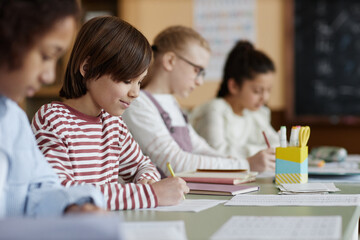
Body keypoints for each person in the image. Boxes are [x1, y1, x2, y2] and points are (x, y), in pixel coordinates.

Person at [31, 16, 188, 211]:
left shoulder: (113, 124)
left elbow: (144, 165)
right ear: (87, 68)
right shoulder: (52, 119)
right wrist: (150, 194)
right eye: (126, 80)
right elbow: (62, 192)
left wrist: (147, 179)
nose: (136, 93)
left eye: (139, 82)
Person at [0, 0, 105, 217]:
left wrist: (69, 208)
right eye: (46, 56)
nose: (48, 76)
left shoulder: (13, 118)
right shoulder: (51, 117)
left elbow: (38, 188)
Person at [122, 26, 250, 176]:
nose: (200, 81)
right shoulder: (138, 104)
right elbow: (175, 162)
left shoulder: (172, 103)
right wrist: (243, 164)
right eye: (197, 70)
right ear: (170, 61)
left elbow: (200, 148)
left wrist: (239, 164)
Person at [190, 40, 278, 172]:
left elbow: (277, 145)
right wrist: (259, 154)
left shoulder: (256, 113)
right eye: (257, 91)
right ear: (234, 86)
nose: (264, 97)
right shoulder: (214, 110)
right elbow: (217, 153)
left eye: (268, 90)